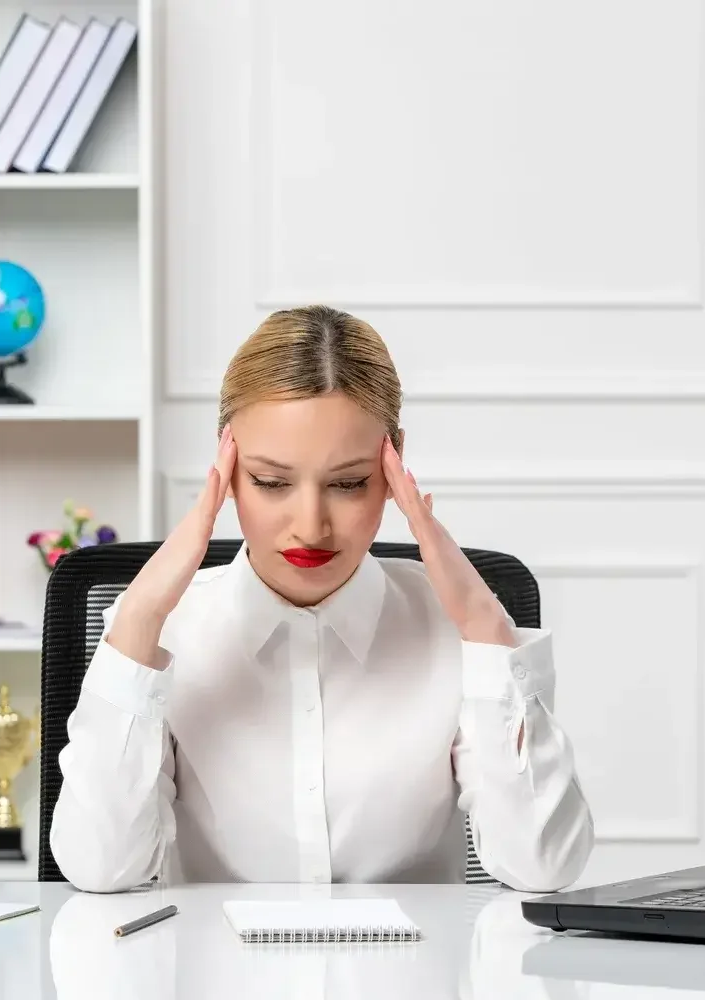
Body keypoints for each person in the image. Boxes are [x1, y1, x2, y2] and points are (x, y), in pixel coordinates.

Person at [48, 305, 594, 893]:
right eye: (271, 482)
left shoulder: (456, 631)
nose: (311, 527)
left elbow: (543, 865)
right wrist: (140, 617)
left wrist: (482, 622)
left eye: (348, 483)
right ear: (227, 466)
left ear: (393, 466)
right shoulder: (164, 631)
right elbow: (103, 870)